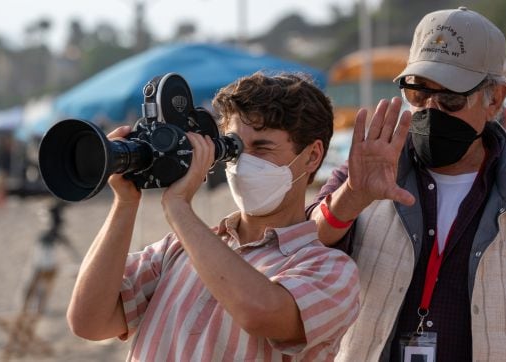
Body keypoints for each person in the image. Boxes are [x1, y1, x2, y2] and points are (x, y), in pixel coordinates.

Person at [309, 7, 506, 362]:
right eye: (418, 93)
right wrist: (350, 198)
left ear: (495, 99)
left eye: (451, 99)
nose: (431, 109)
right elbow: (302, 254)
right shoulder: (361, 177)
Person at [66, 72, 360, 361]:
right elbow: (88, 321)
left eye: (262, 148)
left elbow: (260, 312)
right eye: (233, 148)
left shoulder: (330, 269)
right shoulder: (177, 250)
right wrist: (125, 203)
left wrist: (179, 207)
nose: (244, 162)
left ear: (312, 156)